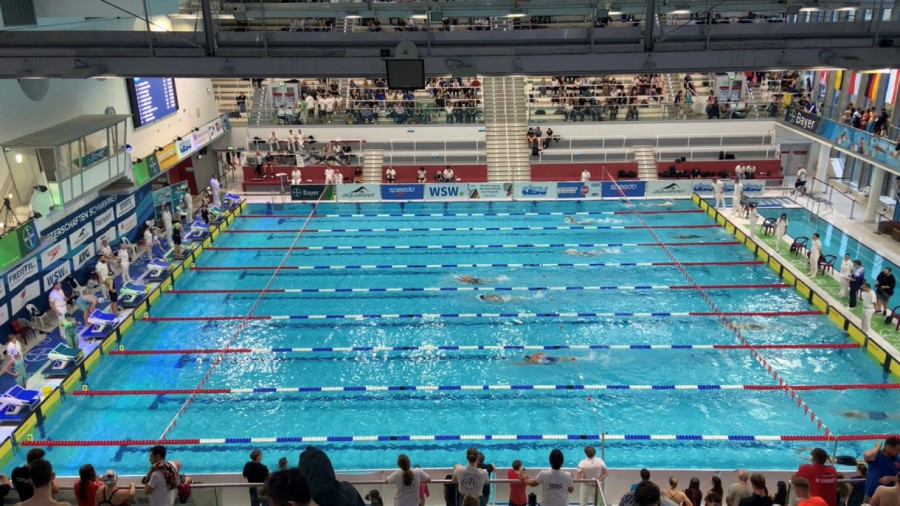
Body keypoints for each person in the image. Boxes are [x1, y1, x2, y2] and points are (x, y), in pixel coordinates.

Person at [863, 438, 900, 502]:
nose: (898, 453)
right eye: (896, 450)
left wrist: (891, 479)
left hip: (891, 496)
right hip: (872, 495)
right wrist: (878, 447)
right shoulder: (876, 456)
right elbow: (868, 456)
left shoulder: (898, 459)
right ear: (888, 447)